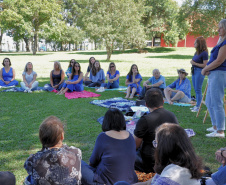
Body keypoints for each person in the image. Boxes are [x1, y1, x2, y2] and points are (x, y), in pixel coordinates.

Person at [81, 108, 138, 185]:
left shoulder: (103, 136)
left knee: (78, 162)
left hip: (105, 182)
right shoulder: (130, 136)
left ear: (106, 121)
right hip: (129, 181)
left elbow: (92, 162)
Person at [24, 116, 82, 185]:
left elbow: (27, 167)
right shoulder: (76, 152)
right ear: (62, 136)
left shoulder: (32, 160)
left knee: (29, 178)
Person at [134, 88, 178, 173]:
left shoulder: (145, 120)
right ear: (163, 101)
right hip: (170, 159)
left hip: (150, 161)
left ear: (146, 104)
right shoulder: (172, 115)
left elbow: (135, 145)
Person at [202, 19, 226, 138]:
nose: (218, 30)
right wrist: (208, 69)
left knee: (217, 102)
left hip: (219, 74)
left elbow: (219, 60)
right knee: (209, 101)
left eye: (221, 27)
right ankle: (215, 126)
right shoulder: (220, 41)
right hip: (214, 74)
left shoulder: (225, 42)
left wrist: (205, 68)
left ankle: (220, 131)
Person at [190, 37, 208, 112]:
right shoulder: (197, 52)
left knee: (198, 89)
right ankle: (198, 104)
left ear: (200, 44)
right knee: (196, 88)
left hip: (199, 72)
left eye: (196, 43)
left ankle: (198, 106)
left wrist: (194, 63)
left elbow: (205, 65)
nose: (194, 44)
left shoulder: (204, 53)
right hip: (194, 71)